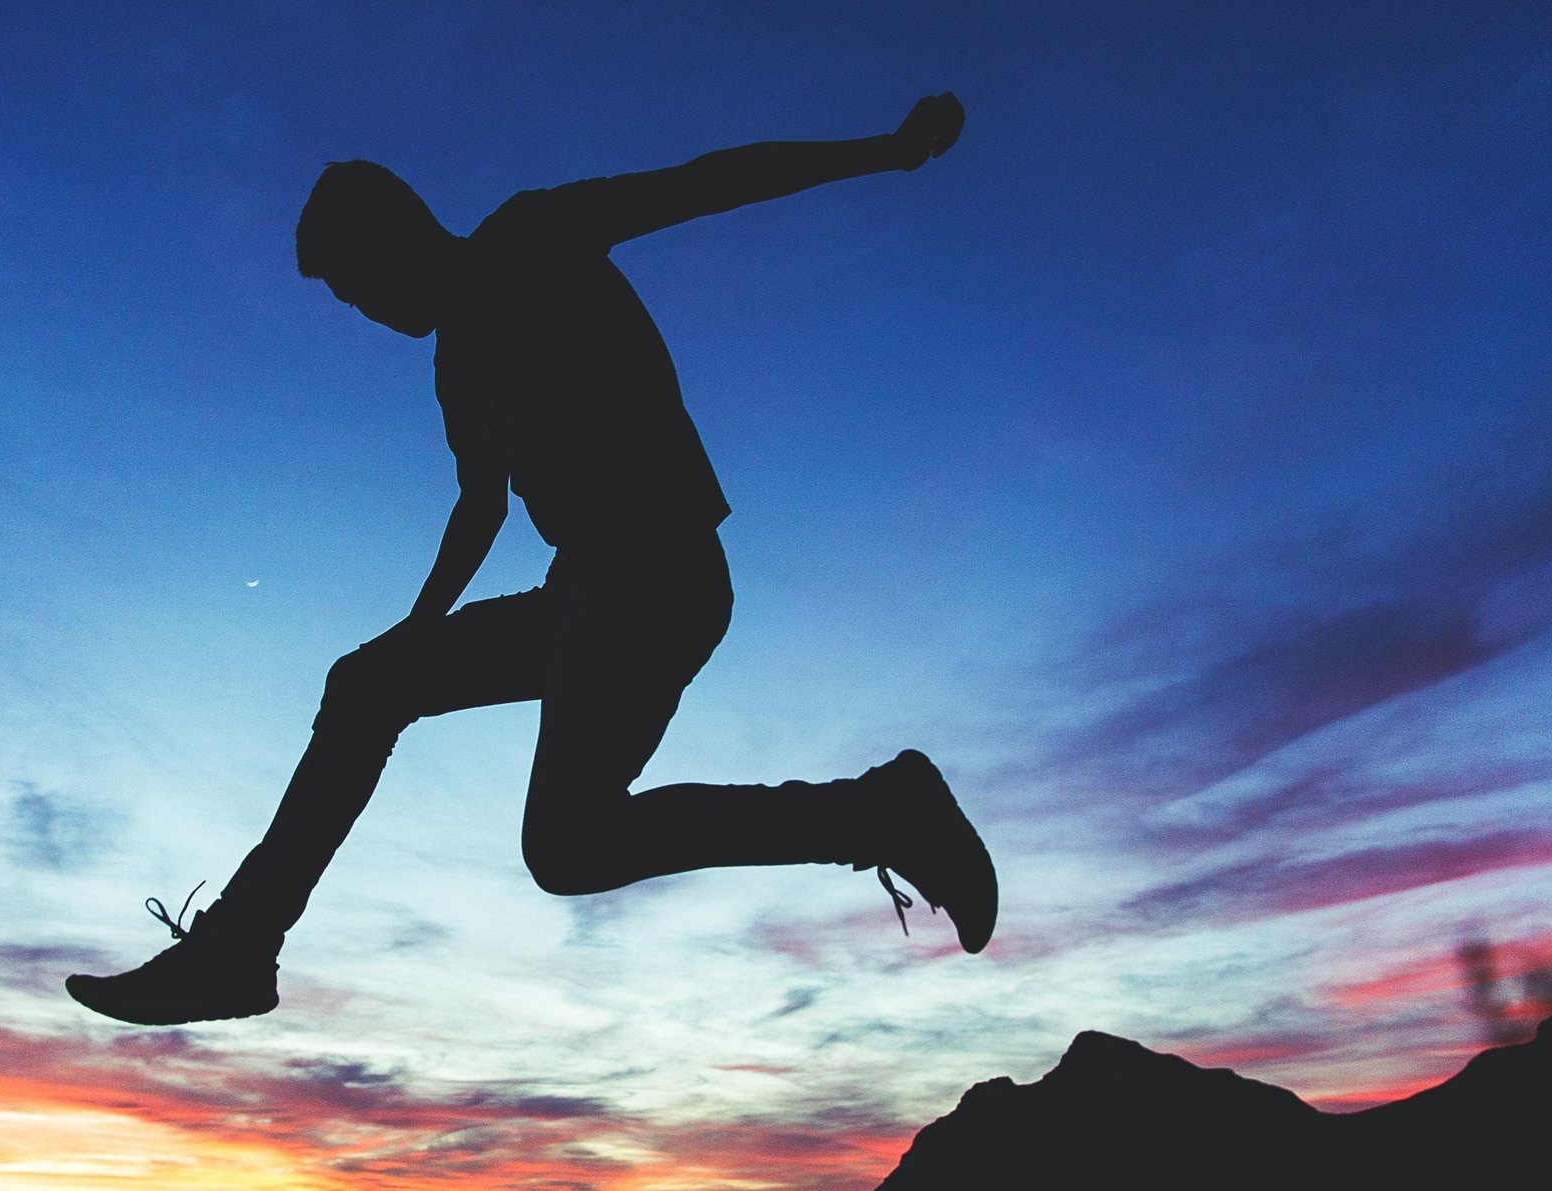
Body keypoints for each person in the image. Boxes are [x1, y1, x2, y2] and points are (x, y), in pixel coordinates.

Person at [67, 92, 996, 1026]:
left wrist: (886, 148)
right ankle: (239, 946)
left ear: (393, 235)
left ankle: (883, 812)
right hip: (585, 593)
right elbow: (481, 505)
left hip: (659, 574)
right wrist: (414, 637)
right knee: (372, 690)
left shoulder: (531, 233)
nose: (367, 313)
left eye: (355, 285)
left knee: (565, 844)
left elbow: (707, 184)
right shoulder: (455, 363)